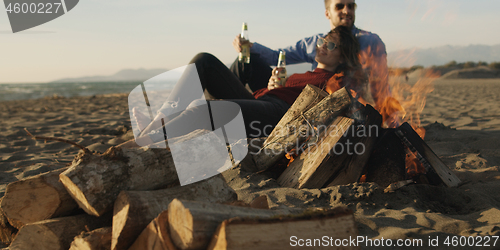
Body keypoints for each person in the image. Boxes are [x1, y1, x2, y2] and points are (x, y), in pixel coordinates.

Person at [121, 26, 365, 148]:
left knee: (202, 109)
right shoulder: (306, 73)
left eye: (332, 46)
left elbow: (345, 104)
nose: (323, 46)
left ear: (343, 57)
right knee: (204, 59)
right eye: (323, 41)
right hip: (262, 101)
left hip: (279, 116)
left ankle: (142, 144)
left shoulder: (336, 80)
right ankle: (160, 121)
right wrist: (272, 85)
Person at [231, 0, 389, 105]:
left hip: (335, 106)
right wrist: (248, 47)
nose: (347, 11)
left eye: (351, 6)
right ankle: (229, 105)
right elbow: (277, 56)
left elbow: (381, 84)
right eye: (339, 6)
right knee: (247, 62)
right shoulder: (316, 42)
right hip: (301, 94)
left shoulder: (369, 41)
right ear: (327, 13)